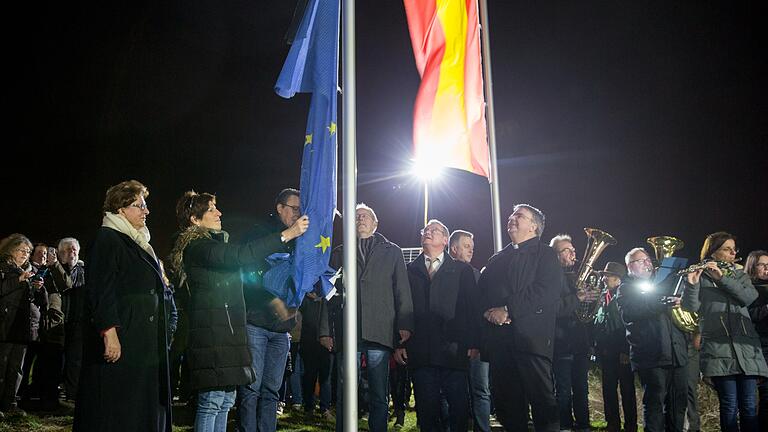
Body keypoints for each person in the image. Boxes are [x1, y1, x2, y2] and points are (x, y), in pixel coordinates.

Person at [169, 190, 308, 432]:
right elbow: (242, 255)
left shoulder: (212, 244)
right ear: (194, 219)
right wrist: (287, 235)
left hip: (229, 335)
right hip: (212, 336)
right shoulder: (198, 247)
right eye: (212, 209)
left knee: (225, 401)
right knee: (211, 402)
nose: (219, 212)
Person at [73, 179, 172, 432]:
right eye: (139, 205)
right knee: (117, 410)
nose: (146, 211)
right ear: (120, 209)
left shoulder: (137, 242)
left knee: (138, 409)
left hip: (141, 342)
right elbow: (100, 289)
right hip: (123, 339)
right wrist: (110, 333)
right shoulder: (108, 238)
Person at [320, 203, 414, 432]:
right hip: (348, 331)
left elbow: (402, 290)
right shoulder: (339, 252)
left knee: (378, 393)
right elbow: (327, 293)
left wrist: (405, 325)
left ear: (375, 223)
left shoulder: (392, 251)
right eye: (356, 217)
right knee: (345, 390)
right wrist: (324, 330)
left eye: (365, 216)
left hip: (379, 331)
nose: (360, 219)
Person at [477, 204, 562, 431]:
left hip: (531, 343)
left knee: (543, 404)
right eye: (512, 215)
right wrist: (487, 311)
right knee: (508, 407)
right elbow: (482, 292)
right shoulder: (497, 258)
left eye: (520, 216)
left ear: (534, 226)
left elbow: (546, 290)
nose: (512, 218)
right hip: (501, 344)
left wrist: (508, 309)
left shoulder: (546, 254)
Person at [237, 188, 309, 432]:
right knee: (251, 388)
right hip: (256, 323)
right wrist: (272, 300)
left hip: (282, 330)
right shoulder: (260, 233)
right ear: (280, 208)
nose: (298, 214)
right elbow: (249, 273)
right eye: (294, 208)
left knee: (272, 390)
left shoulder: (302, 240)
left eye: (301, 209)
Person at [682, 233, 768, 432]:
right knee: (729, 405)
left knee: (749, 405)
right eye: (727, 249)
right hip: (718, 347)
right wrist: (692, 284)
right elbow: (689, 307)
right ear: (714, 251)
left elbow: (748, 297)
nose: (733, 253)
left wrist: (722, 279)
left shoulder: (739, 275)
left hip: (745, 346)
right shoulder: (700, 276)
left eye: (734, 249)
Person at [397, 220, 477, 432]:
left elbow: (471, 309)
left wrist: (473, 342)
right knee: (427, 410)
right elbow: (401, 307)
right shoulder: (409, 270)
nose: (428, 233)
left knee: (458, 407)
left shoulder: (462, 270)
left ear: (445, 239)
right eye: (425, 230)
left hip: (454, 350)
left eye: (435, 230)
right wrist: (399, 343)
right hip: (421, 351)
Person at [617, 247, 687, 432]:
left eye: (648, 260)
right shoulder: (625, 288)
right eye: (641, 261)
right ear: (629, 267)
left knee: (677, 405)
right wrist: (663, 301)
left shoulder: (664, 285)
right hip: (651, 355)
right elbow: (632, 312)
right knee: (655, 405)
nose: (648, 263)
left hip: (675, 352)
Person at [550, 234, 592, 432]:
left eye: (573, 250)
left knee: (582, 389)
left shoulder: (576, 276)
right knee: (564, 390)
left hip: (580, 342)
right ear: (556, 255)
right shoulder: (551, 277)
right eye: (567, 250)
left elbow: (585, 312)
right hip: (561, 343)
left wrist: (592, 299)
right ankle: (565, 425)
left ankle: (584, 425)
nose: (573, 253)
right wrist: (578, 298)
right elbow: (555, 309)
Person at [449, 229, 490, 432]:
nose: (471, 251)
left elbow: (479, 311)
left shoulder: (477, 275)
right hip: (453, 343)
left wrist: (477, 342)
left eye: (472, 248)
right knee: (454, 390)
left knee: (480, 390)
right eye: (466, 246)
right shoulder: (443, 273)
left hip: (476, 343)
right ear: (453, 248)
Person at [0, 234, 44, 419]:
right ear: (11, 250)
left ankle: (10, 403)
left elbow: (40, 301)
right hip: (5, 324)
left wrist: (39, 288)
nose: (25, 255)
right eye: (21, 251)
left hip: (22, 325)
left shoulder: (30, 270)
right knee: (1, 365)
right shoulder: (3, 268)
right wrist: (18, 280)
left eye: (28, 252)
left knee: (17, 367)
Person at [593, 262, 637, 432]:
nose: (604, 279)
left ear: (617, 279)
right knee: (608, 390)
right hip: (606, 350)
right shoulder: (604, 295)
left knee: (627, 391)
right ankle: (612, 424)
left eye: (607, 276)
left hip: (622, 351)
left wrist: (626, 350)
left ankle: (631, 425)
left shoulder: (624, 296)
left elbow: (628, 325)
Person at [53, 238, 86, 401]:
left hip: (77, 320)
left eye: (73, 249)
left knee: (75, 358)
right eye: (66, 250)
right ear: (59, 253)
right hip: (57, 320)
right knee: (55, 358)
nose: (71, 253)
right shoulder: (53, 269)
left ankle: (73, 394)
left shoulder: (84, 271)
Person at [745, 250, 768, 430]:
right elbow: (750, 316)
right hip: (761, 347)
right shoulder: (749, 289)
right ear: (753, 267)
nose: (767, 268)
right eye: (762, 264)